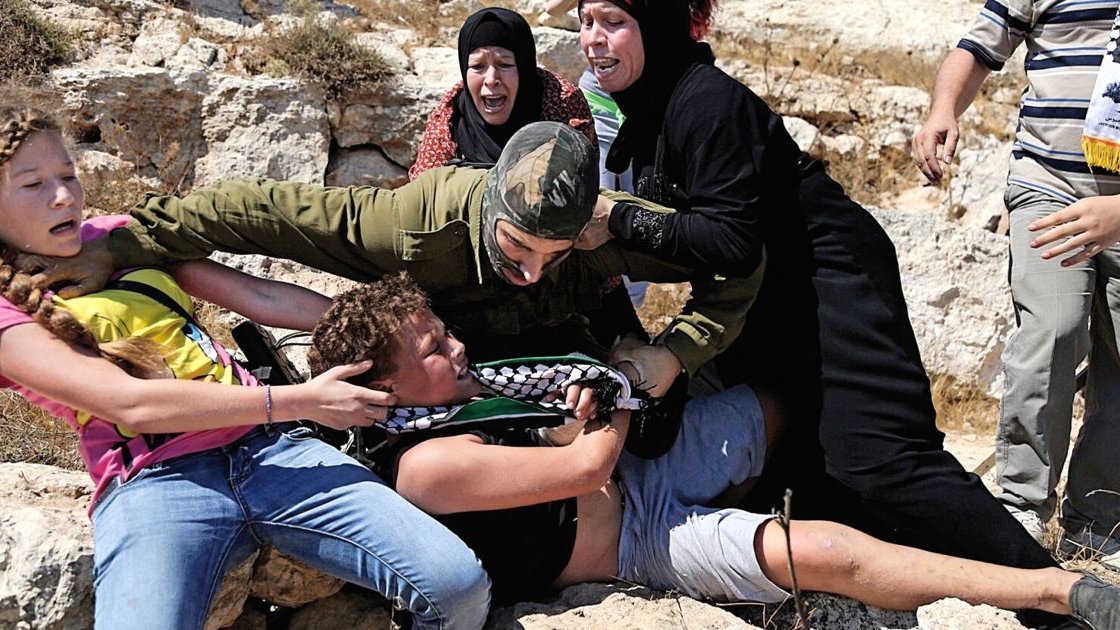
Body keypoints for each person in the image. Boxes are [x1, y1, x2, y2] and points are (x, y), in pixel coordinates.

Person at [306, 271, 1120, 628]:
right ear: (382, 389)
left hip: (637, 470)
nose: (454, 350)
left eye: (443, 333)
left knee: (773, 406)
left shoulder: (454, 400)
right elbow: (581, 466)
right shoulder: (422, 465)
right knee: (817, 553)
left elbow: (566, 443)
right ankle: (1050, 591)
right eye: (433, 351)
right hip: (636, 540)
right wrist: (616, 395)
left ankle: (890, 498)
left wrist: (587, 408)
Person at [572, 0, 1060, 575]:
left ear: (655, 25)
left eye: (613, 22)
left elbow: (730, 240)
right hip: (763, 302)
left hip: (831, 284)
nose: (592, 41)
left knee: (882, 462)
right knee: (797, 459)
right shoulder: (656, 107)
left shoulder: (706, 101)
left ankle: (1052, 593)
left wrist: (619, 220)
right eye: (584, 23)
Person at [0, 105, 490, 628]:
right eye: (34, 185)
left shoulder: (117, 239)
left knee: (456, 588)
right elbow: (130, 403)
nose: (65, 196)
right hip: (157, 483)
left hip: (271, 448)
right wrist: (301, 401)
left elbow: (259, 295)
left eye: (68, 175)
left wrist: (402, 335)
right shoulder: (7, 315)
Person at [27, 122, 762, 396]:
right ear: (489, 214)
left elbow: (739, 263)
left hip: (561, 351)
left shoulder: (611, 226)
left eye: (555, 253)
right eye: (515, 248)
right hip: (447, 362)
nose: (533, 267)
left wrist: (676, 353)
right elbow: (253, 213)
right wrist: (124, 245)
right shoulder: (413, 228)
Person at [913, 1, 1120, 565]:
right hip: (1050, 186)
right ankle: (1022, 503)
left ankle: (1100, 520)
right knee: (1051, 331)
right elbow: (976, 48)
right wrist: (943, 109)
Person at [408, 6, 596, 179]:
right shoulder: (449, 119)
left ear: (524, 68)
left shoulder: (562, 104)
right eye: (477, 66)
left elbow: (578, 187)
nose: (491, 79)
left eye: (504, 64)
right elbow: (423, 198)